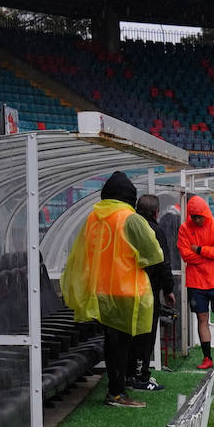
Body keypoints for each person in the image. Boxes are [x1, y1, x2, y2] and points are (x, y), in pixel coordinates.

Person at [60, 171, 162, 408]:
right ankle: (117, 392)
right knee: (123, 341)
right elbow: (154, 254)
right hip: (126, 290)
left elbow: (83, 254)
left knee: (112, 340)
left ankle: (118, 388)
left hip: (102, 289)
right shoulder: (130, 218)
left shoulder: (93, 217)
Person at [177, 195, 214, 369]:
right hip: (197, 282)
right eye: (193, 217)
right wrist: (208, 256)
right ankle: (207, 358)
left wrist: (200, 250)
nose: (196, 220)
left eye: (199, 216)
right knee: (201, 318)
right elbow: (185, 254)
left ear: (205, 213)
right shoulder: (184, 229)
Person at [128, 194, 176, 391]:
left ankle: (129, 374)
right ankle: (141, 376)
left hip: (125, 290)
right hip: (148, 292)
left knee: (129, 335)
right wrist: (169, 290)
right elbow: (163, 262)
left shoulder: (127, 228)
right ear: (156, 212)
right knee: (145, 335)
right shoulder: (155, 231)